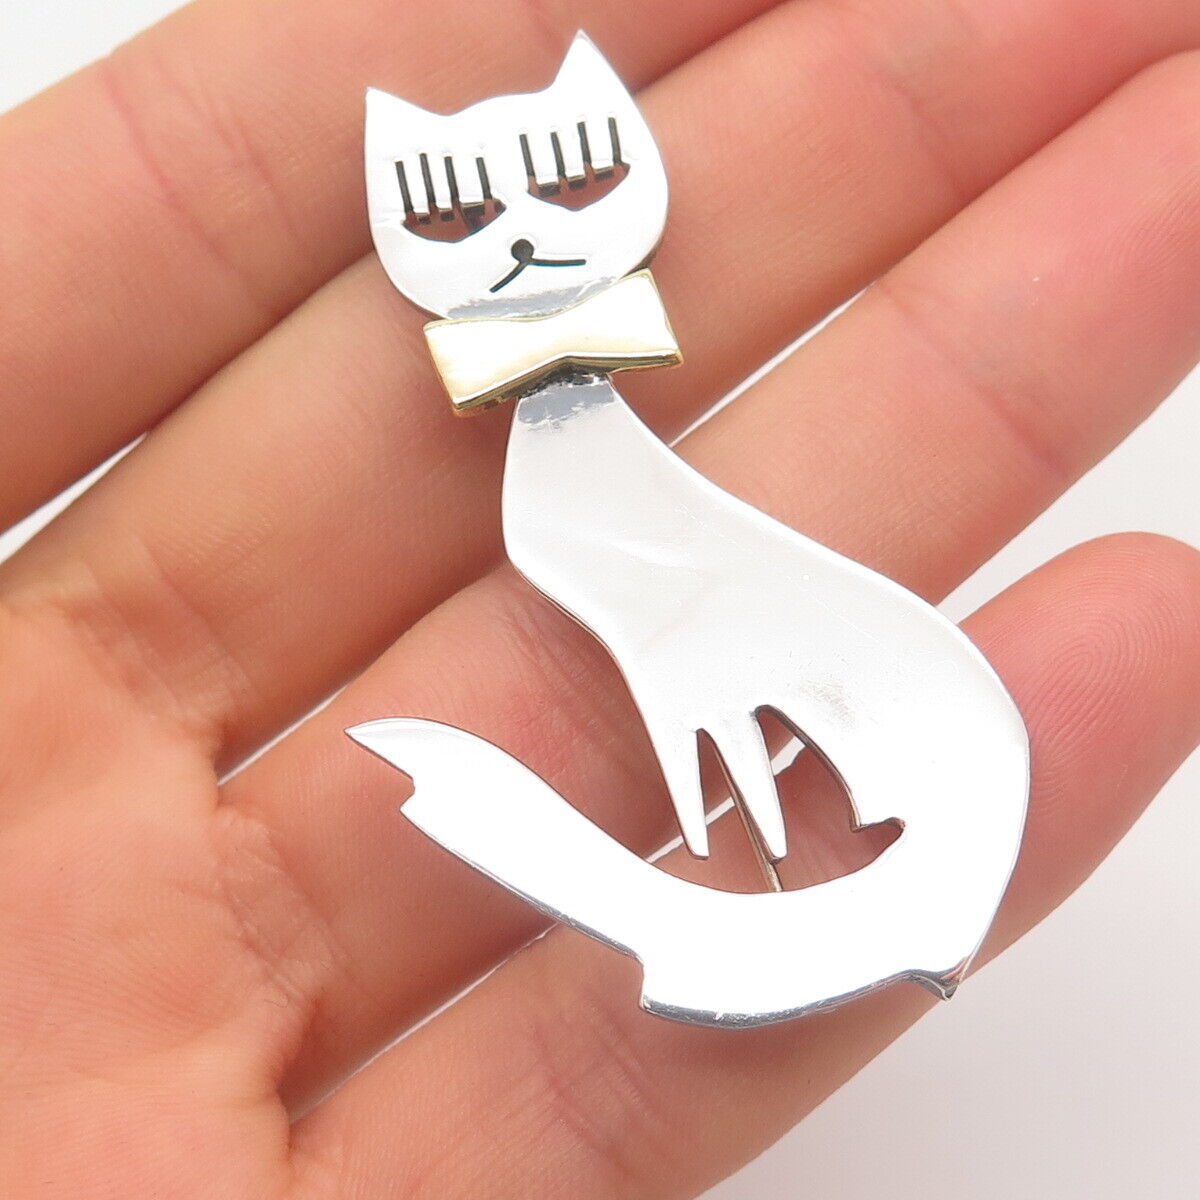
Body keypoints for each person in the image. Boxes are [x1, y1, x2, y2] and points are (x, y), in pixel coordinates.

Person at [1, 1, 1199, 1196]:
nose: (521, 237)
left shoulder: (594, 499)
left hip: (942, 803)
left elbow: (684, 650)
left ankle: (809, 895)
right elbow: (672, 644)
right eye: (456, 216)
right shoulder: (581, 486)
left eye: (575, 188)